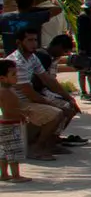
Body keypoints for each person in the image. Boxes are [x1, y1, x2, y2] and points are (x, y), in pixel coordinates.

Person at [7, 27, 70, 160]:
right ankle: (35, 148)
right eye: (29, 40)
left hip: (28, 99)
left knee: (69, 106)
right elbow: (29, 94)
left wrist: (69, 97)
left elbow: (47, 79)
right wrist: (53, 104)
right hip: (16, 103)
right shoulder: (16, 62)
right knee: (56, 112)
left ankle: (50, 143)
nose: (34, 43)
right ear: (19, 43)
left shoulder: (32, 57)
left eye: (35, 40)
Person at [33, 34, 87, 147]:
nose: (63, 54)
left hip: (44, 90)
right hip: (37, 91)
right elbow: (44, 82)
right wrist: (66, 97)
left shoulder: (50, 57)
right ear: (58, 46)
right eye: (64, 50)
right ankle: (50, 140)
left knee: (70, 105)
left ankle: (54, 137)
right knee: (67, 108)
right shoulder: (44, 57)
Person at [0, 59, 29, 182]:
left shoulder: (9, 89)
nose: (16, 77)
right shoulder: (5, 92)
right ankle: (16, 176)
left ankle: (4, 174)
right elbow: (9, 110)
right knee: (13, 150)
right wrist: (22, 115)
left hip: (5, 124)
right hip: (10, 125)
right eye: (13, 75)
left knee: (4, 151)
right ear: (2, 78)